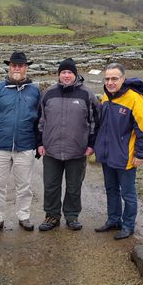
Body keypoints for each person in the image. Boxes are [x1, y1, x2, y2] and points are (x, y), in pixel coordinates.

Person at [0, 51, 41, 234]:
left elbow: (40, 120)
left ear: (26, 68)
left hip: (25, 146)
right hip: (0, 146)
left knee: (24, 186)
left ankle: (23, 216)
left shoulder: (35, 91)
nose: (17, 68)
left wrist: (39, 143)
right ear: (9, 67)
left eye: (20, 65)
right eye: (14, 65)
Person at [36, 58, 100, 231]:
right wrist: (40, 143)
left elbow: (95, 122)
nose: (66, 75)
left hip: (77, 150)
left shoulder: (87, 94)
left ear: (75, 74)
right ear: (58, 74)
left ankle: (72, 216)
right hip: (51, 150)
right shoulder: (49, 93)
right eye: (63, 72)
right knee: (50, 186)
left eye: (69, 72)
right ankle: (52, 216)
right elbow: (41, 120)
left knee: (74, 186)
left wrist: (91, 144)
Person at [93, 62, 143, 240]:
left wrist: (141, 154)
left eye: (114, 78)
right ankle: (113, 220)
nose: (110, 82)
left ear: (123, 79)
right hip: (107, 153)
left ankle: (128, 226)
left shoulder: (134, 99)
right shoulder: (106, 96)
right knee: (111, 189)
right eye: (107, 78)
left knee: (128, 193)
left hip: (125, 156)